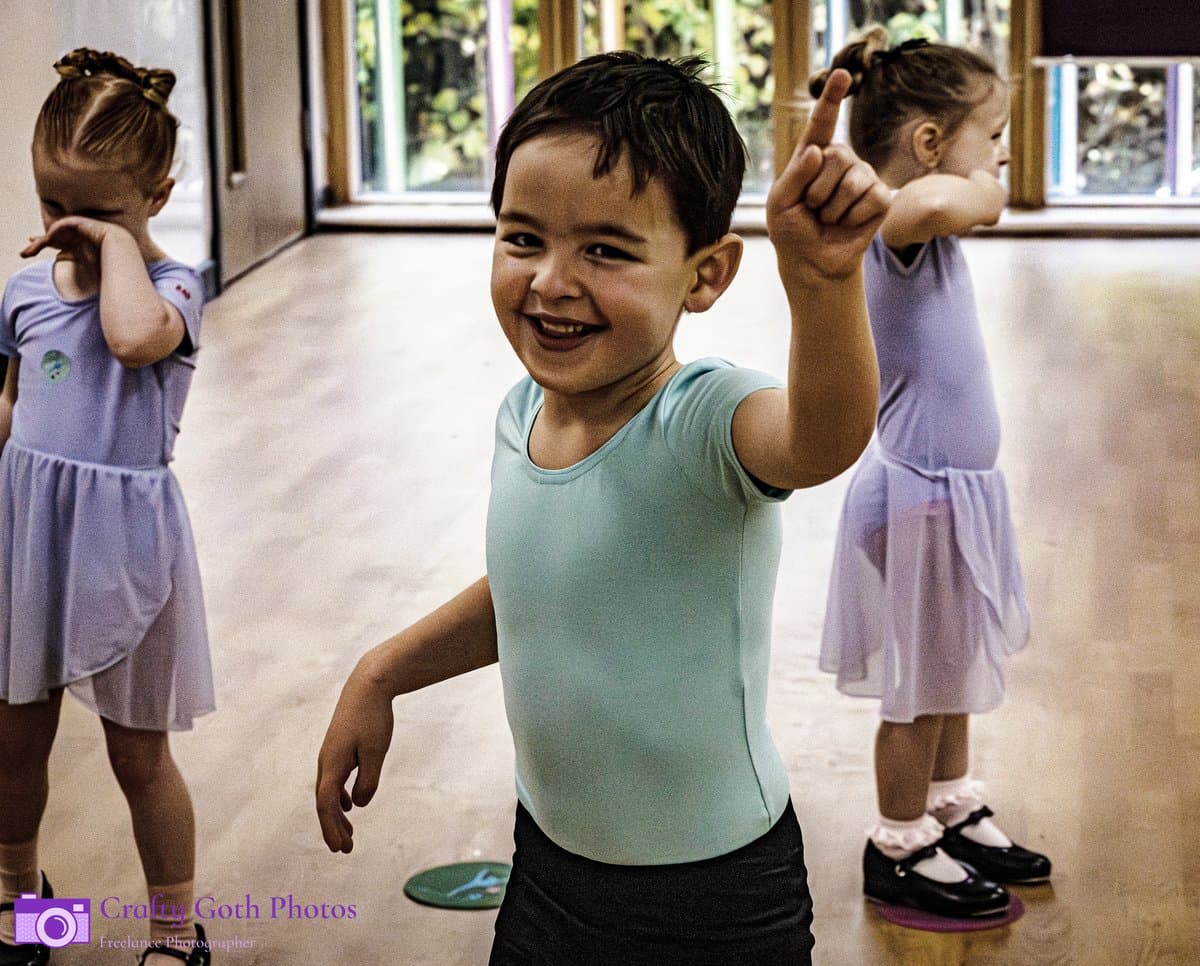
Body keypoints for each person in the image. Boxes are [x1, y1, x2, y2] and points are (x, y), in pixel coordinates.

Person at [316, 51, 888, 964]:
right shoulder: (521, 417)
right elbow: (538, 593)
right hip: (547, 866)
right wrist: (383, 670)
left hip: (713, 896)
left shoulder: (701, 418)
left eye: (606, 250)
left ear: (704, 277)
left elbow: (822, 438)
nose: (550, 280)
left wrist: (821, 287)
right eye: (522, 237)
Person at [814, 28, 1052, 920]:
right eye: (990, 137)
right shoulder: (890, 220)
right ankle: (899, 840)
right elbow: (948, 205)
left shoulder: (919, 225)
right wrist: (987, 187)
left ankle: (947, 805)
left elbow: (961, 200)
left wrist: (980, 175)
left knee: (950, 669)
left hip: (954, 493)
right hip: (917, 493)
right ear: (925, 144)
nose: (998, 159)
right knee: (917, 691)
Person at [0, 49, 213, 966]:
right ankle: (29, 912)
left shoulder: (172, 291)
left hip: (122, 550)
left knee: (138, 757)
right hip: (30, 539)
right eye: (54, 204)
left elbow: (128, 342)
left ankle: (173, 932)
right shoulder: (22, 293)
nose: (70, 228)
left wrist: (119, 246)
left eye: (102, 210)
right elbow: (16, 408)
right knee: (13, 748)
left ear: (157, 196)